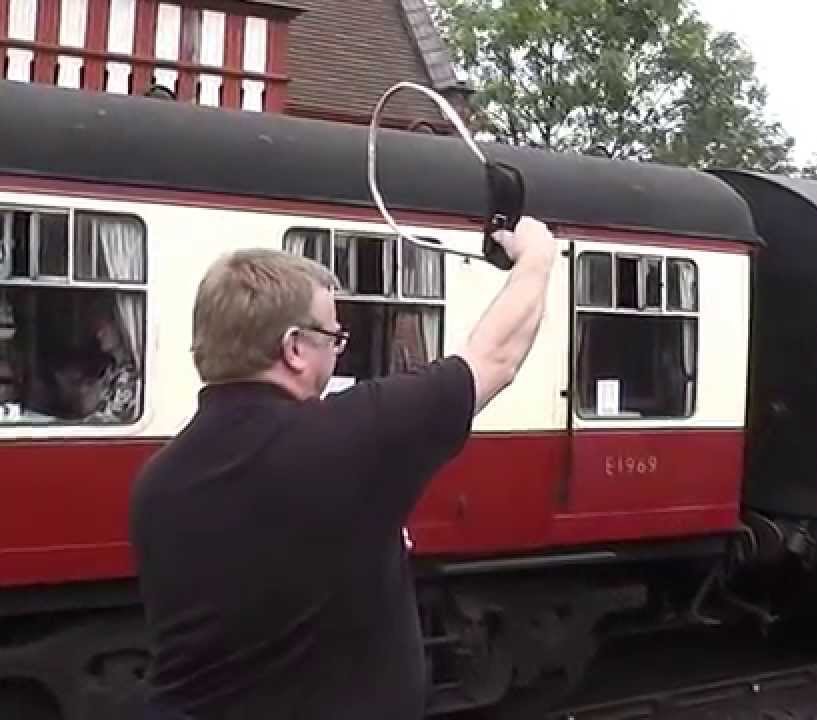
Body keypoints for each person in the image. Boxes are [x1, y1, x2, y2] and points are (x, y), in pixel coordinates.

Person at [128, 217, 557, 720]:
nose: (338, 349)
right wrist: (537, 258)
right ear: (293, 348)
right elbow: (495, 358)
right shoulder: (352, 436)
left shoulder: (158, 481)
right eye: (333, 337)